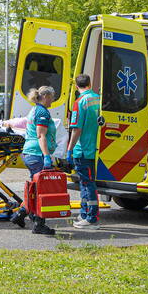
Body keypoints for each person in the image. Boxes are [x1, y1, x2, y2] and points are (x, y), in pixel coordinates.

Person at [10, 86, 57, 235]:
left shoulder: (34, 109)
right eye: (52, 97)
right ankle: (38, 225)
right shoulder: (42, 112)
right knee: (41, 190)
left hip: (30, 153)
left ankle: (20, 214)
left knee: (35, 189)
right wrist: (47, 156)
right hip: (37, 155)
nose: (53, 99)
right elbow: (41, 135)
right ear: (45, 96)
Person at [66, 74, 100, 229]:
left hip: (83, 150)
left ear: (76, 86)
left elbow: (77, 129)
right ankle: (85, 213)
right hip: (96, 149)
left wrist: (69, 149)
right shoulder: (98, 98)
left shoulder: (80, 102)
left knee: (87, 184)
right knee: (87, 183)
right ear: (90, 83)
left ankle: (91, 218)